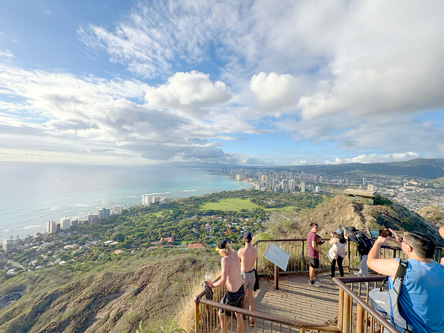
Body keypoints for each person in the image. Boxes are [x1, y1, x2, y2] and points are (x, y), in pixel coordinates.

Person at [367, 229, 444, 333]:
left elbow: (371, 261)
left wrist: (379, 242)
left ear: (409, 248)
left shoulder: (402, 267)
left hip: (407, 329)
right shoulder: (440, 269)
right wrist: (401, 242)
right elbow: (420, 255)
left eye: (403, 241)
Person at [206, 239, 244, 333]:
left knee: (221, 314)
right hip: (241, 288)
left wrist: (212, 285)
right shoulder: (235, 253)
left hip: (232, 293)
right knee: (239, 314)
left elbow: (223, 280)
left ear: (221, 251)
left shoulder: (225, 259)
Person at [238, 231, 258, 326]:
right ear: (251, 239)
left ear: (244, 239)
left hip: (244, 275)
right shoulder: (255, 250)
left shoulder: (241, 251)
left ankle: (244, 314)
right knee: (250, 296)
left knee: (243, 295)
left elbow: (239, 262)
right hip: (252, 273)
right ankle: (252, 318)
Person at [307, 222, 321, 286]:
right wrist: (320, 251)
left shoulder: (309, 233)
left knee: (311, 266)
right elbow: (313, 245)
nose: (317, 229)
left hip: (310, 252)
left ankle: (311, 279)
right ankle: (312, 281)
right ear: (311, 227)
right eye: (315, 227)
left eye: (317, 227)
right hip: (313, 253)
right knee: (313, 267)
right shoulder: (313, 235)